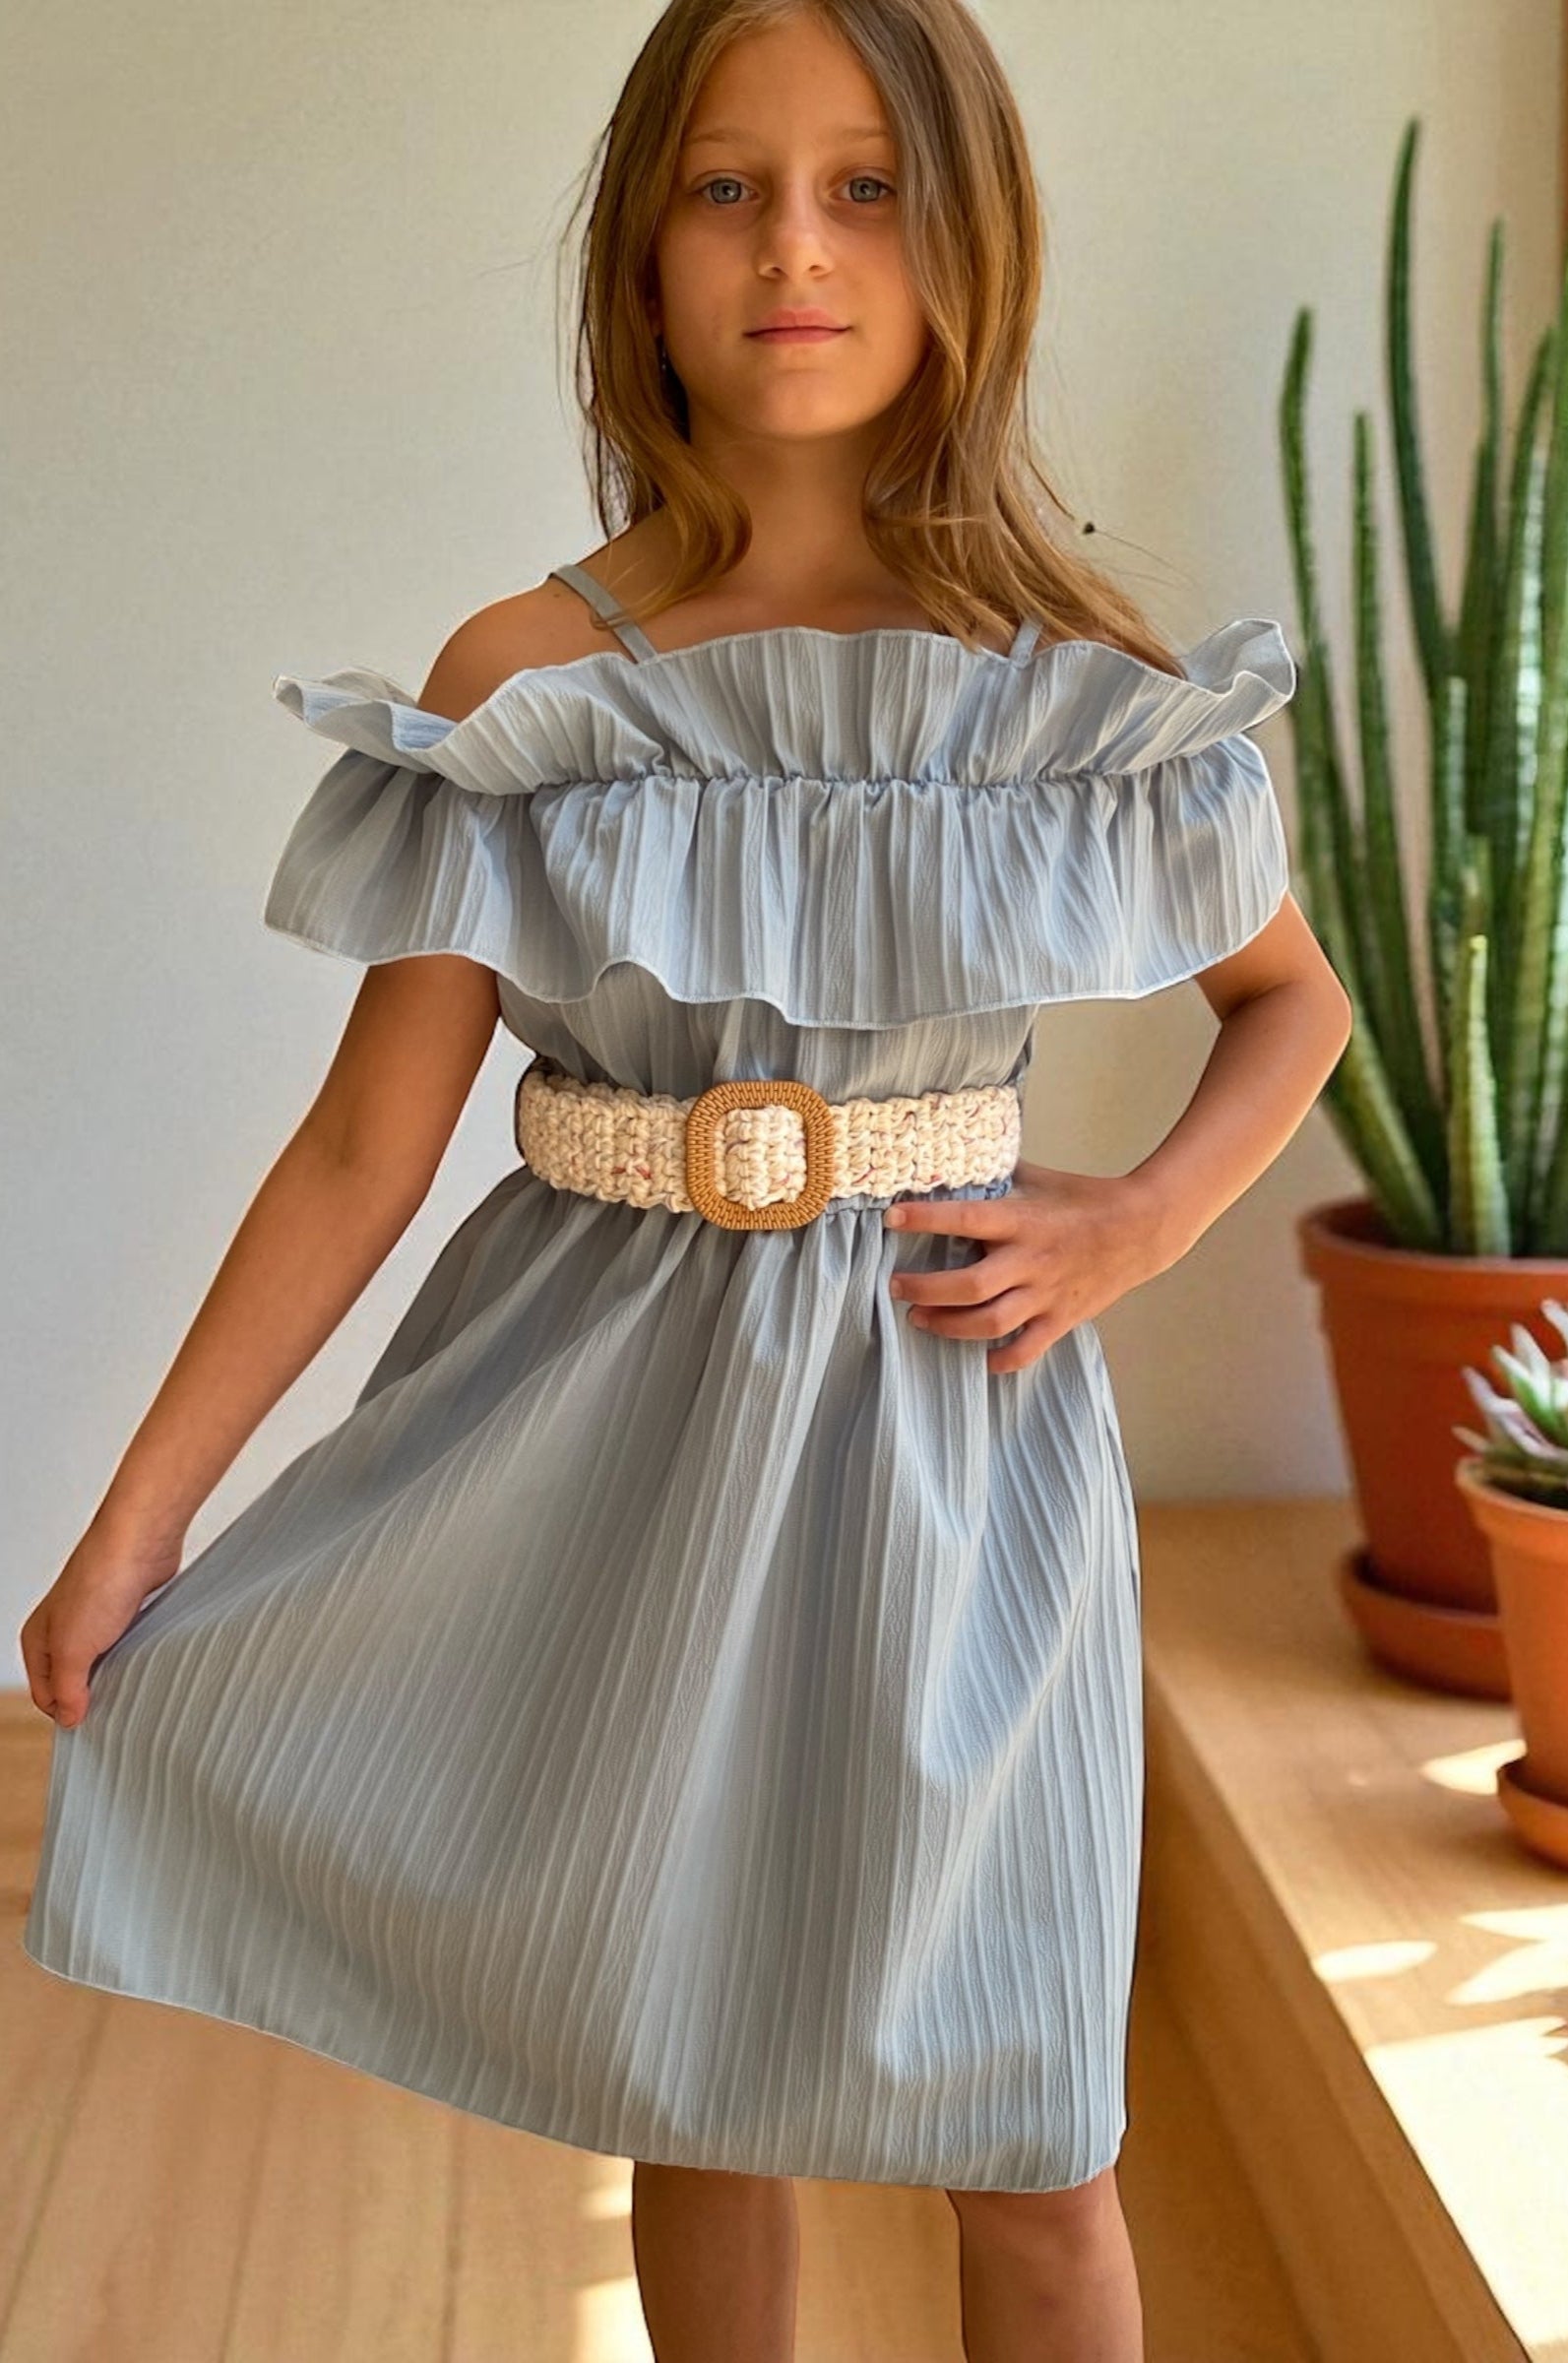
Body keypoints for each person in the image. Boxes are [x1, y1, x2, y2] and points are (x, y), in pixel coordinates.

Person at [18, 3, 1352, 2357]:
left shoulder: (1060, 685)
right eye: (724, 188)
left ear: (966, 248)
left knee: (1028, 2124)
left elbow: (1293, 1005)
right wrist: (142, 1521)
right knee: (693, 2073)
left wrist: (1132, 1219)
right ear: (638, 258)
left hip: (951, 1440)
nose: (791, 250)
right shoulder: (532, 682)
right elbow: (361, 1144)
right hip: (592, 1428)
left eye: (861, 188)